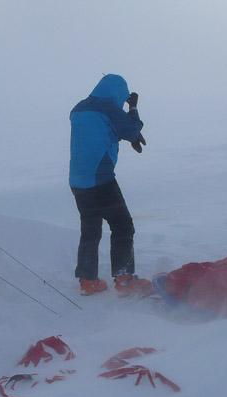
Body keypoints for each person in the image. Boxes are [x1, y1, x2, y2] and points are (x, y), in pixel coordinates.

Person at [69, 74, 152, 296]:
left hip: (77, 181)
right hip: (101, 180)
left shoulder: (79, 108)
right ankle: (125, 279)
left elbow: (102, 131)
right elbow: (130, 129)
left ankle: (87, 281)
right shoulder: (108, 108)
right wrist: (132, 108)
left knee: (90, 230)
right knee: (123, 226)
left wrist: (123, 130)